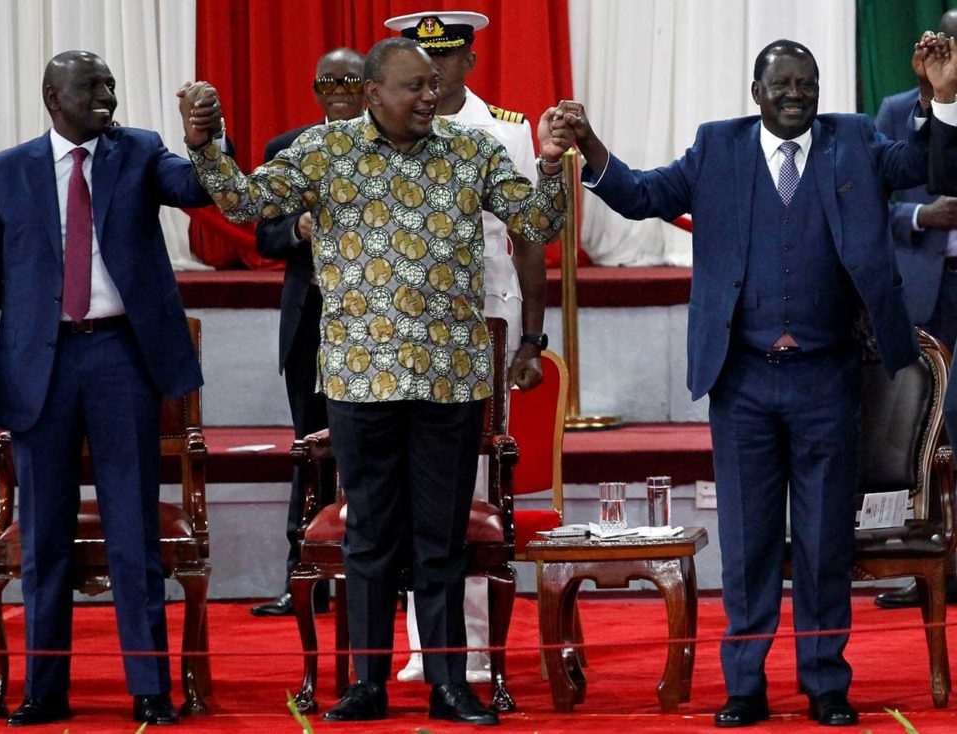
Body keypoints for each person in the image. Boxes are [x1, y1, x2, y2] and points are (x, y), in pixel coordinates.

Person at [178, 36, 571, 725]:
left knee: (441, 538)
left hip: (450, 381)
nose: (430, 96)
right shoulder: (325, 152)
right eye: (415, 86)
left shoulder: (471, 149)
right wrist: (208, 144)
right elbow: (244, 205)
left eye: (433, 84)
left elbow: (538, 221)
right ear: (372, 94)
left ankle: (451, 684)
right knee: (370, 540)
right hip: (360, 383)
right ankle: (367, 685)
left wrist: (546, 161)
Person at [566, 40, 937, 728]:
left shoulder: (853, 139)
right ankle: (745, 685)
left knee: (826, 542)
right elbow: (643, 194)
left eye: (807, 83)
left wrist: (937, 100)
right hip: (741, 383)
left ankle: (825, 683)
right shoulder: (717, 148)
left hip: (829, 379)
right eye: (782, 84)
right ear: (756, 91)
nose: (795, 94)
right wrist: (590, 144)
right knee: (748, 542)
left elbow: (922, 163)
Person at [0, 51, 215, 726]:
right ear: (53, 97)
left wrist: (203, 140)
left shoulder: (142, 152)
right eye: (91, 86)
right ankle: (46, 688)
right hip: (38, 367)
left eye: (110, 84)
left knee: (134, 532)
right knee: (43, 538)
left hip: (121, 361)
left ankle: (149, 688)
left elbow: (197, 190)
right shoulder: (4, 173)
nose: (107, 94)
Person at [382, 10, 548, 685]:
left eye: (446, 58)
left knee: (463, 490)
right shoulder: (384, 130)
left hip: (481, 323)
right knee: (408, 491)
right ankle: (426, 646)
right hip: (400, 331)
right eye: (422, 58)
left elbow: (530, 238)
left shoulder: (502, 131)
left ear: (468, 62)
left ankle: (472, 646)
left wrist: (533, 338)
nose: (434, 71)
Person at [251, 46, 366, 620]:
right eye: (330, 81)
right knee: (311, 452)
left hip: (380, 327)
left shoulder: (395, 144)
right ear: (315, 88)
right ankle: (302, 577)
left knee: (374, 456)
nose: (340, 89)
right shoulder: (286, 150)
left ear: (370, 85)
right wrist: (296, 227)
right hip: (310, 325)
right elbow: (263, 237)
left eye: (351, 79)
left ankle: (383, 580)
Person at [874, 12, 957, 611]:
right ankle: (927, 565)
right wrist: (919, 217)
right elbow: (865, 209)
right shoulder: (898, 109)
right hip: (927, 291)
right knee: (924, 432)